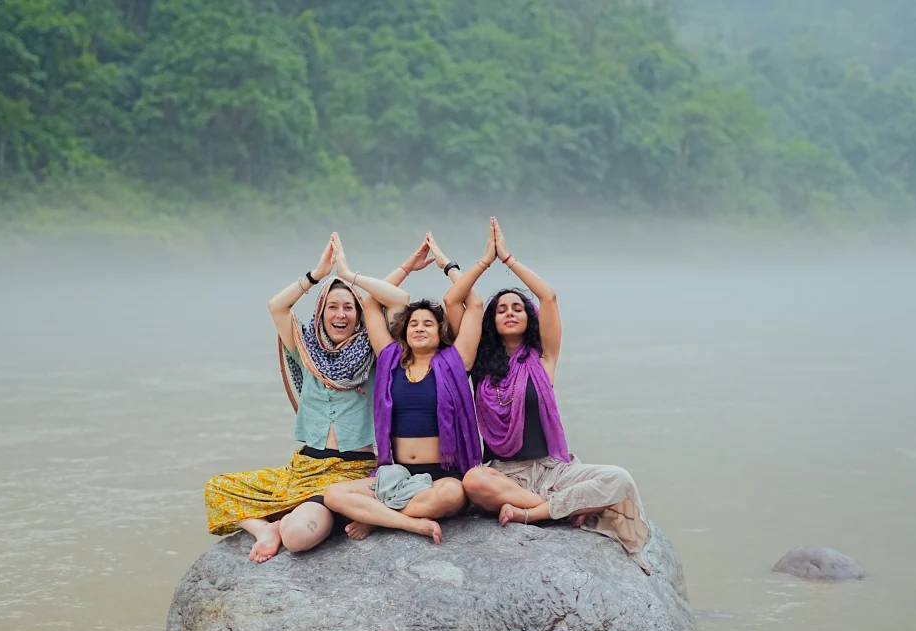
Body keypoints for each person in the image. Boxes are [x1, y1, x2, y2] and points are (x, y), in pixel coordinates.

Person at [203, 233, 430, 562]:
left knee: (297, 537)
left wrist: (353, 274)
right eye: (332, 307)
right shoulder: (305, 351)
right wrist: (317, 275)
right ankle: (265, 528)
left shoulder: (374, 352)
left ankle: (319, 515)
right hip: (302, 469)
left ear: (360, 315)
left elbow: (397, 300)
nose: (341, 314)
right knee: (216, 487)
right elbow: (277, 306)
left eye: (349, 307)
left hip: (349, 474)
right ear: (321, 312)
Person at [446, 217, 653, 574]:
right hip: (503, 475)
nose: (510, 313)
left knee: (618, 478)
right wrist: (483, 262)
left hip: (552, 470)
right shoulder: (478, 365)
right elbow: (453, 304)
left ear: (530, 317)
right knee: (473, 481)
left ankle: (532, 513)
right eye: (502, 310)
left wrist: (508, 259)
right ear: (491, 322)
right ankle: (563, 509)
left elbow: (548, 296)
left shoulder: (544, 360)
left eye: (517, 308)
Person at [324, 233, 485, 544]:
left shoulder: (456, 361)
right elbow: (371, 303)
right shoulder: (390, 360)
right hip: (394, 475)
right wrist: (407, 266)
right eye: (413, 324)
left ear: (440, 332)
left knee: (453, 495)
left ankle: (378, 516)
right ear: (404, 332)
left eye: (428, 323)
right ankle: (410, 523)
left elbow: (474, 304)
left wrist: (447, 265)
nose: (420, 328)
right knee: (333, 494)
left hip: (441, 476)